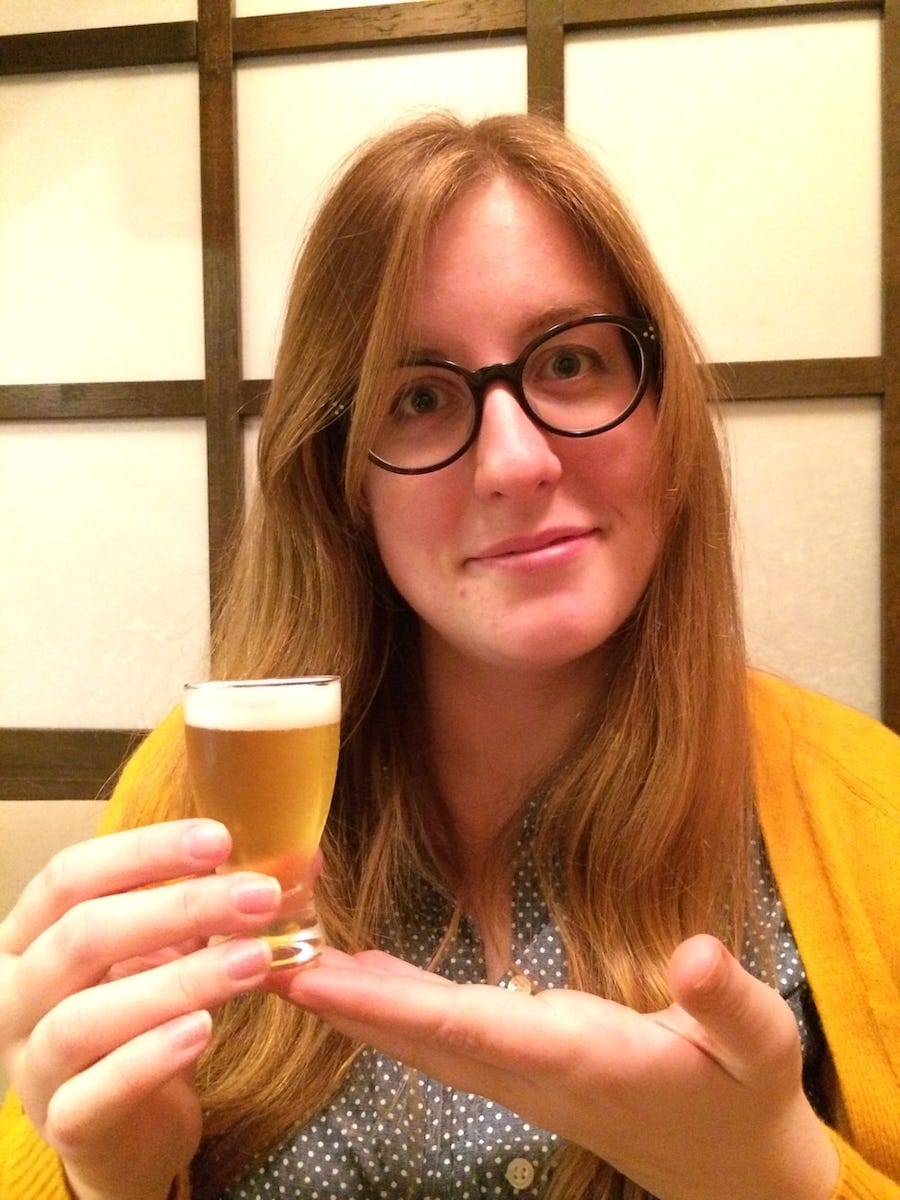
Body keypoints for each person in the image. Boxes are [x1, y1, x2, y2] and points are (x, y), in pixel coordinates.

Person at [1, 110, 898, 1200]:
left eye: (571, 362)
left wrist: (783, 1179)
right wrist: (116, 1181)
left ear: (665, 407)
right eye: (420, 399)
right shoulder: (190, 809)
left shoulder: (870, 817)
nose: (515, 462)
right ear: (342, 478)